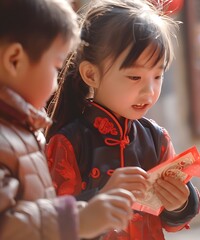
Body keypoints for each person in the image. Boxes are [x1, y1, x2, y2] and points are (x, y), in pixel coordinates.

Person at [45, 0, 200, 239]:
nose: (149, 91)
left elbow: (171, 222)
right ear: (91, 74)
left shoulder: (156, 138)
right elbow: (51, 223)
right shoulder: (69, 142)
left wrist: (180, 202)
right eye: (134, 76)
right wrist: (101, 197)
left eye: (157, 76)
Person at [0, 0, 136, 239]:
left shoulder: (23, 130)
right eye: (55, 67)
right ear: (14, 60)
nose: (56, 84)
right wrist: (76, 220)